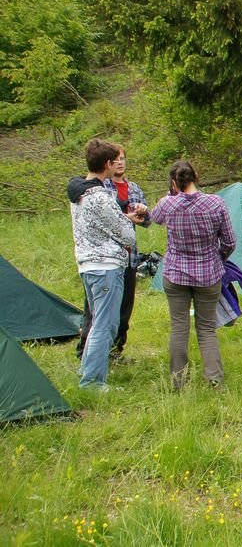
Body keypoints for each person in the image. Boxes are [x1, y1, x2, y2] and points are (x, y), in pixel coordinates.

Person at [149, 161, 237, 390]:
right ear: (196, 176)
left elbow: (152, 218)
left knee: (179, 327)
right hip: (208, 275)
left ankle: (178, 382)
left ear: (174, 182)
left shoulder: (167, 204)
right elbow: (229, 242)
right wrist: (217, 258)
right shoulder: (215, 203)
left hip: (175, 274)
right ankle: (215, 379)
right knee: (206, 328)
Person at [67, 139, 145, 390]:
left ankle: (87, 370)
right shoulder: (101, 196)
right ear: (107, 164)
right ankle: (92, 382)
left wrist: (121, 218)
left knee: (96, 322)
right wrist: (127, 220)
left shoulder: (78, 191)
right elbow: (128, 236)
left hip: (87, 263)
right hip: (106, 266)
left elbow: (99, 224)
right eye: (115, 161)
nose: (117, 164)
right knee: (105, 325)